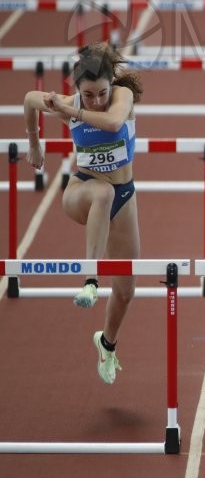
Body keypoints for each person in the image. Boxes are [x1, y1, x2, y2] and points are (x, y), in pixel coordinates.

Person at [24, 42, 143, 386]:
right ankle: (90, 280)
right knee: (102, 192)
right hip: (83, 191)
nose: (95, 101)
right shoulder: (68, 102)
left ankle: (106, 343)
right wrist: (34, 142)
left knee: (126, 290)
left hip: (125, 196)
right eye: (87, 95)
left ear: (111, 85)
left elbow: (112, 122)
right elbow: (31, 99)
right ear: (77, 88)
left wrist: (69, 111)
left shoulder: (121, 98)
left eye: (100, 93)